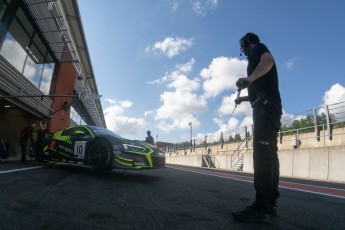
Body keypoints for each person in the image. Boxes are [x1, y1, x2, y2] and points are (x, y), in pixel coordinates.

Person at [232, 32, 282, 223]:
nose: (243, 50)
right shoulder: (255, 65)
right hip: (267, 107)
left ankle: (261, 207)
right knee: (270, 155)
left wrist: (249, 78)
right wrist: (243, 97)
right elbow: (256, 92)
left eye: (242, 46)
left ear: (246, 42)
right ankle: (270, 202)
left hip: (266, 107)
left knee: (262, 155)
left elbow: (269, 60)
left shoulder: (258, 50)